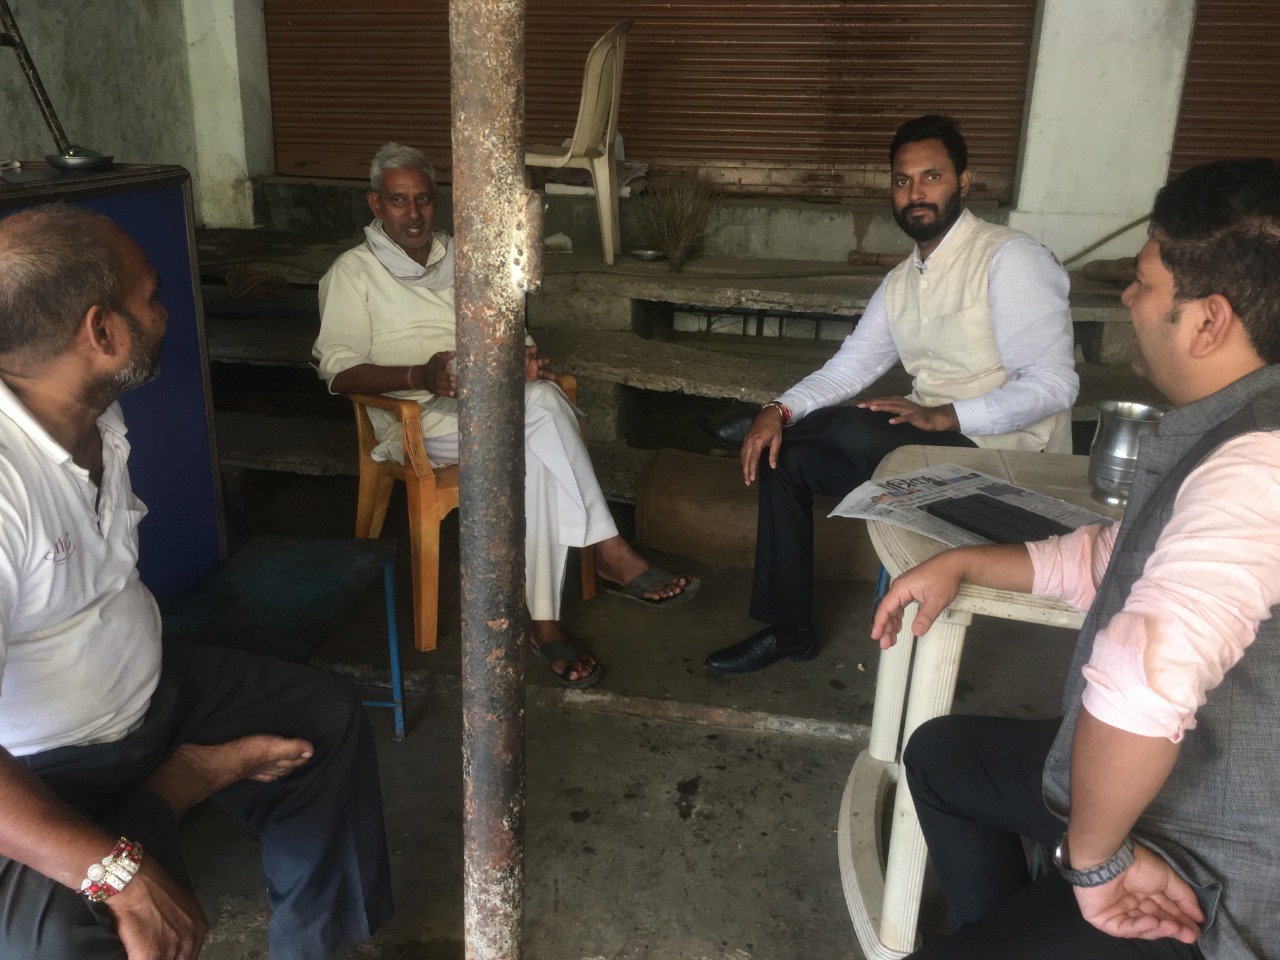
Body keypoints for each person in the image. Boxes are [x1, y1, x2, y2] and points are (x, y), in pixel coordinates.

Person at [870, 157, 1280, 959]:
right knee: (944, 759)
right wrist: (965, 563)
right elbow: (1118, 558)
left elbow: (1143, 680)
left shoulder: (1258, 466)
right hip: (1173, 786)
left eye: (1145, 283)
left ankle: (1080, 906)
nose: (1128, 298)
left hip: (1209, 869)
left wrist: (1093, 861)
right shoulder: (1235, 425)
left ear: (1208, 322)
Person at [0, 205, 393, 960]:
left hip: (156, 693)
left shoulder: (90, 413)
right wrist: (116, 874)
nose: (164, 313)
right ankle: (170, 789)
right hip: (42, 768)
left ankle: (314, 945)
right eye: (150, 297)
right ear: (102, 332)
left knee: (325, 718)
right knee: (64, 939)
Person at [313, 142, 698, 688]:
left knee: (537, 431)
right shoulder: (352, 274)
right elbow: (339, 373)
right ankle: (603, 555)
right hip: (422, 423)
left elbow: (514, 336)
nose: (414, 214)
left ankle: (547, 623)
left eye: (423, 199)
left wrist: (525, 362)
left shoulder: (466, 258)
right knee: (541, 411)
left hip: (499, 407)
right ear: (376, 204)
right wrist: (419, 375)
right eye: (399, 201)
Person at [706, 114, 1079, 675]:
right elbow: (852, 364)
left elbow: (1053, 384)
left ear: (964, 182)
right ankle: (789, 631)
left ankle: (777, 425)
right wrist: (776, 411)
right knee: (787, 459)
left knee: (857, 426)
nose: (916, 192)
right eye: (903, 180)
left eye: (932, 176)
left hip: (1004, 458)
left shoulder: (1010, 257)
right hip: (928, 451)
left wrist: (945, 415)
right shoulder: (903, 280)